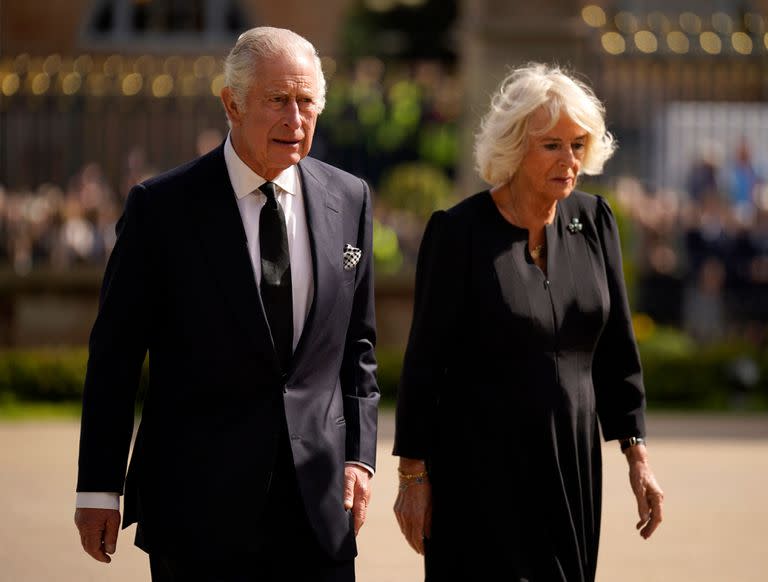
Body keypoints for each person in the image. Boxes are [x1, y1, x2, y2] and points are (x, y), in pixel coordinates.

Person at [74, 27, 379, 582]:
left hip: (319, 510)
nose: (295, 118)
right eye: (277, 100)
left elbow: (357, 345)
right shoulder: (161, 209)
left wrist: (359, 456)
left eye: (307, 101)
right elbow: (114, 358)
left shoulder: (350, 197)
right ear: (231, 103)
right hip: (197, 511)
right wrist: (99, 486)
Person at [393, 63, 664, 581]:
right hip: (481, 469)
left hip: (573, 466)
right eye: (552, 146)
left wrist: (637, 456)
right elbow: (424, 363)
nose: (570, 161)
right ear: (515, 146)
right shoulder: (459, 234)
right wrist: (412, 477)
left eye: (578, 145)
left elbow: (617, 351)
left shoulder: (596, 221)